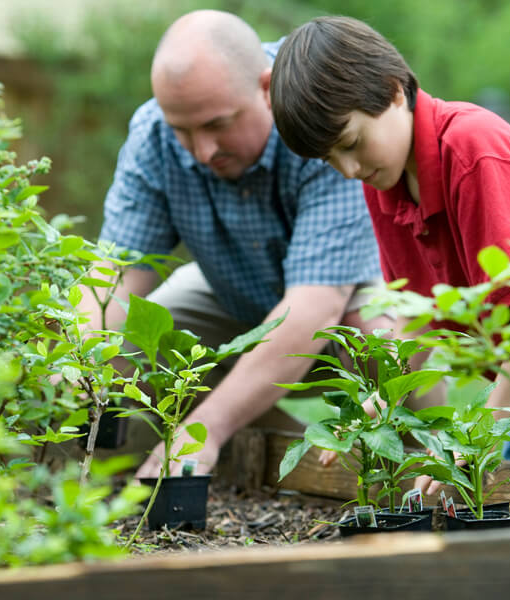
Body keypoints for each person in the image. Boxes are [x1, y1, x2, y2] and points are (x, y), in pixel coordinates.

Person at [83, 10, 389, 479]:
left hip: (344, 296)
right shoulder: (153, 135)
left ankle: (407, 465)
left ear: (266, 88)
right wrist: (78, 359)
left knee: (384, 340)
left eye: (217, 125)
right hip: (231, 295)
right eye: (183, 131)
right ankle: (268, 455)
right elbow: (114, 277)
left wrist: (204, 427)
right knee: (138, 336)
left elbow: (314, 309)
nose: (202, 151)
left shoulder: (317, 112)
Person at [269, 15, 510, 470]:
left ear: (393, 90)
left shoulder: (471, 148)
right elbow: (418, 318)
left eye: (350, 143)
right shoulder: (382, 182)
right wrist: (377, 406)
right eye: (330, 160)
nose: (347, 169)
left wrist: (476, 434)